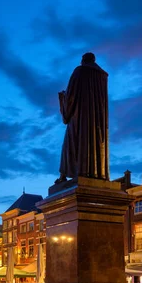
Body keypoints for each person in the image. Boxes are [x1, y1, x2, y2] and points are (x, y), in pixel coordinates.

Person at [56, 52, 109, 184]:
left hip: (79, 117)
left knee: (69, 144)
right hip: (98, 121)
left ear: (83, 60)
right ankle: (96, 173)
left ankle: (64, 175)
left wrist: (63, 98)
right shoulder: (102, 76)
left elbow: (71, 96)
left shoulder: (79, 71)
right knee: (96, 143)